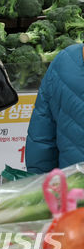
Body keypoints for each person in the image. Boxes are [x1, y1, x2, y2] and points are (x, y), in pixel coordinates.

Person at [26, 44, 84, 173]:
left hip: (72, 184)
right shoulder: (65, 61)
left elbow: (41, 135)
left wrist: (39, 182)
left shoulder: (66, 60)